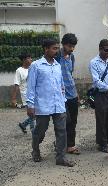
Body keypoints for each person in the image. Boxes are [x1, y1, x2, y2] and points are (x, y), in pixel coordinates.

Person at [26, 39, 74, 167]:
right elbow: (31, 87)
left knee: (62, 131)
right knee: (40, 131)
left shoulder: (57, 65)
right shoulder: (36, 65)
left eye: (57, 48)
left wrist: (63, 100)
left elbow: (61, 85)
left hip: (58, 104)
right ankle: (35, 150)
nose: (56, 51)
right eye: (54, 48)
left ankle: (61, 157)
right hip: (43, 105)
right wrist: (30, 105)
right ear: (46, 49)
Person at [89, 39, 108, 153]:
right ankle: (102, 143)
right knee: (101, 119)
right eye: (106, 50)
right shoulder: (94, 62)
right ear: (100, 49)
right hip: (101, 94)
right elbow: (96, 81)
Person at [56, 33, 80, 155]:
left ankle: (70, 145)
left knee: (73, 121)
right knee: (66, 121)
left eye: (73, 46)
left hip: (72, 94)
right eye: (70, 46)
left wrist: (76, 92)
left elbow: (70, 75)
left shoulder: (72, 57)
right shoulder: (56, 57)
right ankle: (60, 144)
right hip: (61, 96)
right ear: (63, 44)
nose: (71, 49)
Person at [11, 53, 35, 133]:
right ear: (24, 60)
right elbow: (16, 85)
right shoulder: (19, 70)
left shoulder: (33, 68)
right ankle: (33, 131)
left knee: (36, 112)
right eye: (29, 58)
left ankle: (23, 125)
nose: (31, 59)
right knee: (32, 113)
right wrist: (14, 99)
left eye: (31, 58)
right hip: (26, 95)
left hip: (35, 94)